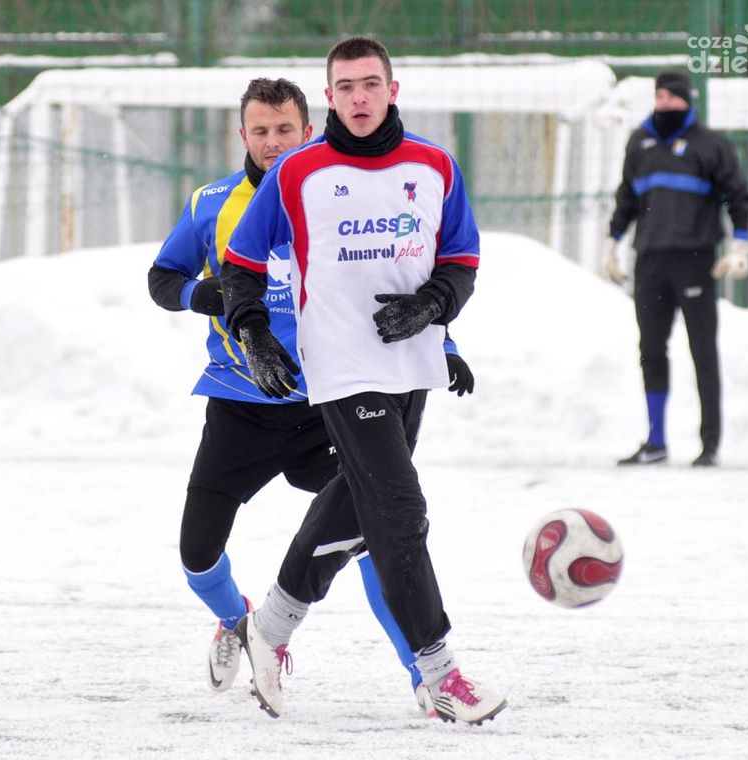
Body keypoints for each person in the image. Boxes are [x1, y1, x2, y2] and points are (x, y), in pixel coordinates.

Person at [148, 78, 475, 712]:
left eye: (285, 130)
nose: (273, 143)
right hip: (240, 406)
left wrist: (445, 344)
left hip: (329, 403)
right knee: (195, 555)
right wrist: (202, 295)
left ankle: (422, 673)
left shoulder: (330, 188)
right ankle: (240, 622)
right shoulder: (212, 203)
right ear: (242, 135)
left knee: (378, 532)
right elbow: (163, 277)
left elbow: (385, 275)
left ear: (307, 128)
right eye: (260, 131)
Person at [220, 37, 506, 725]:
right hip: (342, 366)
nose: (357, 97)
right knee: (400, 513)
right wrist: (254, 332)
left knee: (355, 507)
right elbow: (240, 263)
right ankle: (441, 674)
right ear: (329, 96)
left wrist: (435, 306)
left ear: (392, 90)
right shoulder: (298, 173)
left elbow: (461, 260)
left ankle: (272, 627)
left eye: (370, 84)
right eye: (344, 86)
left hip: (413, 365)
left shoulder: (435, 166)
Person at [605, 70, 748, 468]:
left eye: (673, 98)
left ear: (689, 100)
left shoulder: (711, 145)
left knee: (702, 351)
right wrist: (613, 244)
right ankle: (655, 442)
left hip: (694, 260)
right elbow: (626, 198)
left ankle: (710, 445)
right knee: (651, 350)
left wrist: (741, 245)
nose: (666, 104)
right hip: (650, 261)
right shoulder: (640, 141)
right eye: (660, 97)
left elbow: (739, 197)